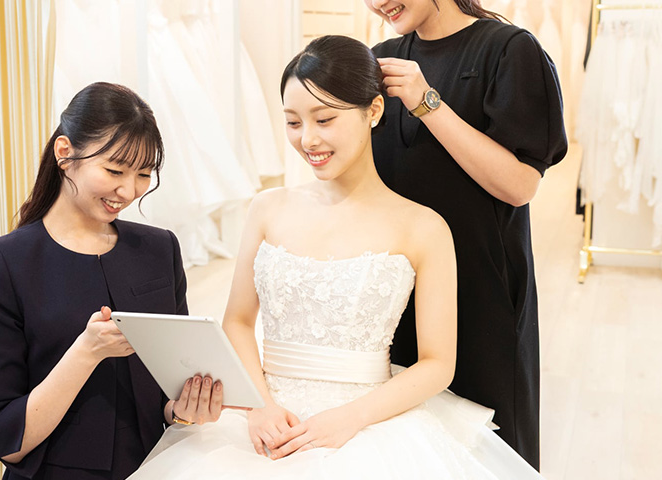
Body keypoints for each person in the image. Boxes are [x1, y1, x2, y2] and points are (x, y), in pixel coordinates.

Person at [126, 36, 544, 479]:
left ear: (374, 111)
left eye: (324, 119)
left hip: (368, 426)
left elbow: (438, 364)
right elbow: (239, 322)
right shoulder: (267, 208)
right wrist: (259, 406)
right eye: (292, 122)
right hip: (264, 419)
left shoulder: (423, 227)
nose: (308, 139)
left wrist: (350, 418)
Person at [338, 0, 568, 469]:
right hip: (394, 288)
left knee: (486, 446)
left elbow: (519, 185)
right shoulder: (381, 59)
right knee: (403, 449)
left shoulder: (509, 50)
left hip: (479, 287)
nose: (376, 0)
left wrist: (427, 102)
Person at [0, 82, 222, 480]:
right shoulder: (1, 266)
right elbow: (4, 436)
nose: (128, 191)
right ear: (65, 153)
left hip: (156, 468)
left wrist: (183, 411)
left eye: (143, 174)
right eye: (114, 170)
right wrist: (86, 352)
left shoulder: (159, 249)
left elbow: (166, 397)